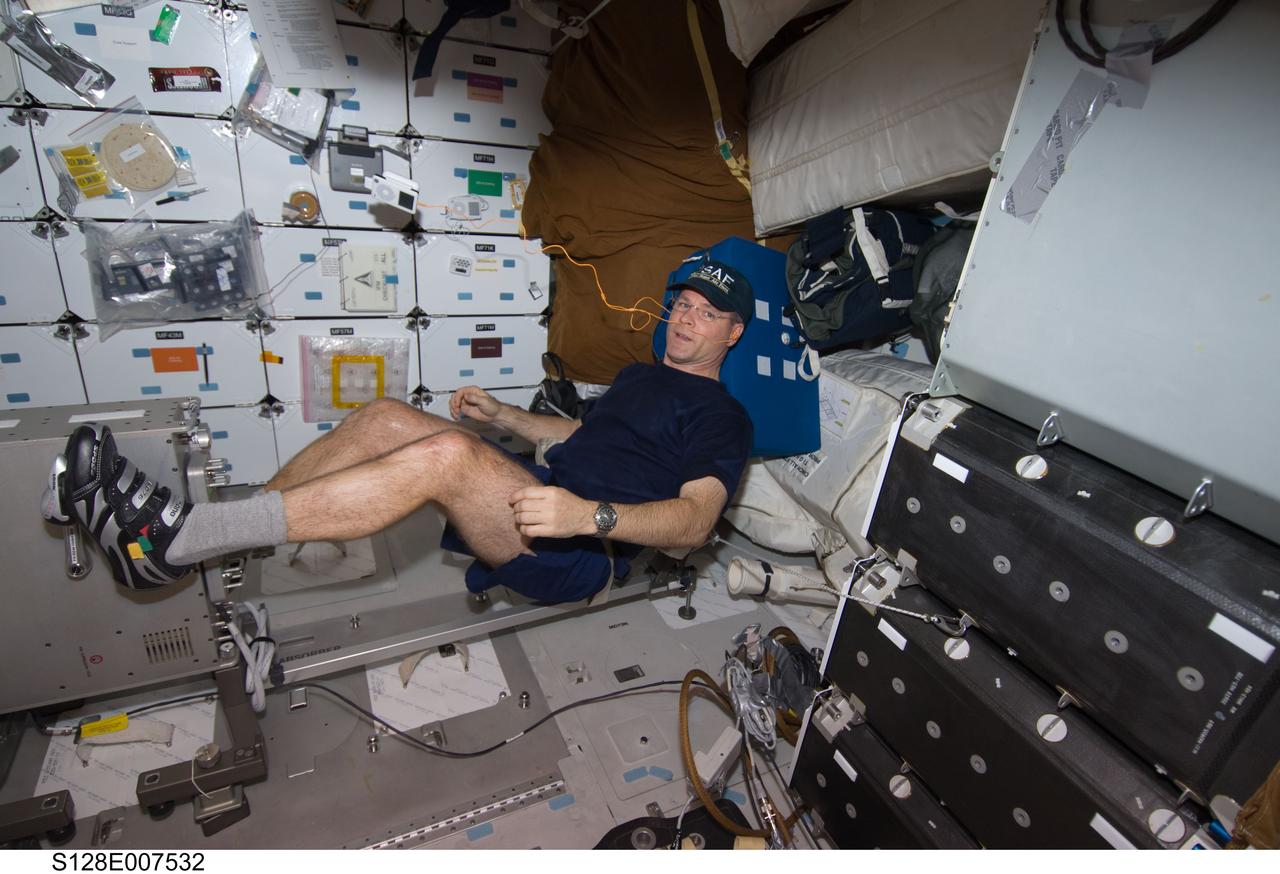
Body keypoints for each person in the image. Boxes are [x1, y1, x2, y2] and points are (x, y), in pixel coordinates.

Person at [46, 260, 756, 603]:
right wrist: (504, 416)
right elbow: (577, 432)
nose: (686, 317)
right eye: (682, 304)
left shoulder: (725, 417)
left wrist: (588, 515)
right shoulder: (636, 378)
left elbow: (695, 522)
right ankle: (221, 532)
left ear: (734, 331)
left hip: (584, 548)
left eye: (705, 311)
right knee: (384, 415)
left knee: (446, 457)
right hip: (543, 487)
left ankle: (171, 544)